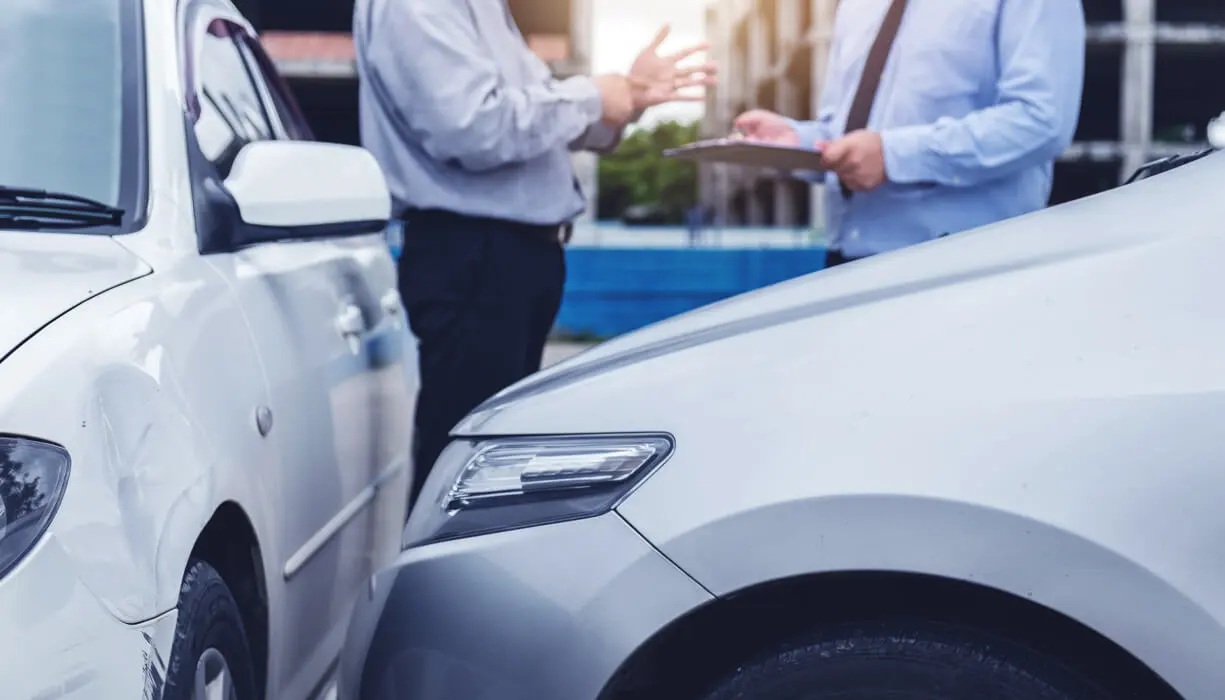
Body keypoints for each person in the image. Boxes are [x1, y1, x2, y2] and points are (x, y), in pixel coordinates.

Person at [353, 0, 715, 502]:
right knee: (465, 473)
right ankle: (444, 582)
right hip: (478, 256)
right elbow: (473, 128)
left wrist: (626, 95)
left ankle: (461, 577)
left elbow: (534, 120)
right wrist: (591, 95)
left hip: (502, 258)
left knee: (488, 468)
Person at [734, 0, 1086, 268]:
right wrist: (798, 142)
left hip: (964, 268)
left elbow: (1042, 121)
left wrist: (892, 156)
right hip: (845, 265)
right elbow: (846, 133)